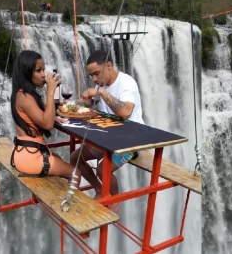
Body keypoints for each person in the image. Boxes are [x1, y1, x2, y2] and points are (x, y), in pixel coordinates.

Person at [69, 50, 145, 213]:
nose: (95, 79)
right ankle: (98, 189)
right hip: (109, 138)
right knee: (76, 158)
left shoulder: (127, 83)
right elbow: (89, 102)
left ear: (109, 66)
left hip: (132, 141)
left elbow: (125, 112)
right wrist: (71, 104)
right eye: (92, 76)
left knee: (102, 169)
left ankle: (115, 197)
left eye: (96, 74)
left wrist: (102, 92)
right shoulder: (101, 84)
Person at [9, 50, 81, 187]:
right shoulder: (25, 97)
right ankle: (69, 206)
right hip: (30, 158)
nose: (43, 75)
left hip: (24, 153)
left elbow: (45, 113)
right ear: (26, 72)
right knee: (76, 173)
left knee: (58, 159)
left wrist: (52, 114)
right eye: (38, 70)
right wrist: (50, 91)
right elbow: (47, 124)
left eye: (43, 69)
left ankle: (55, 205)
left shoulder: (22, 94)